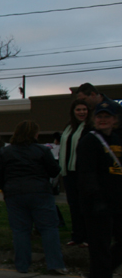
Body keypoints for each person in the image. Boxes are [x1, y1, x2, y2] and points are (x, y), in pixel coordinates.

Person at [0, 120, 66, 274]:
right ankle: (55, 264)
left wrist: (5, 188)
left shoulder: (6, 152)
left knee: (20, 230)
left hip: (14, 194)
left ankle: (22, 265)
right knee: (48, 228)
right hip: (40, 192)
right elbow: (54, 171)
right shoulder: (42, 150)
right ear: (34, 134)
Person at [77, 100, 122, 278]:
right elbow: (86, 173)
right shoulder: (90, 141)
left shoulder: (118, 140)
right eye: (99, 116)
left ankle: (97, 276)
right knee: (100, 248)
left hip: (117, 201)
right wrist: (95, 199)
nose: (103, 120)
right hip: (97, 203)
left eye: (107, 116)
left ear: (115, 119)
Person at [60, 99, 90, 247]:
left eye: (84, 109)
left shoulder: (90, 127)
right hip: (68, 172)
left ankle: (88, 237)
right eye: (78, 109)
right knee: (74, 205)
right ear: (73, 111)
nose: (82, 112)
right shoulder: (68, 128)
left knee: (85, 206)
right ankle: (76, 236)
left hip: (83, 173)